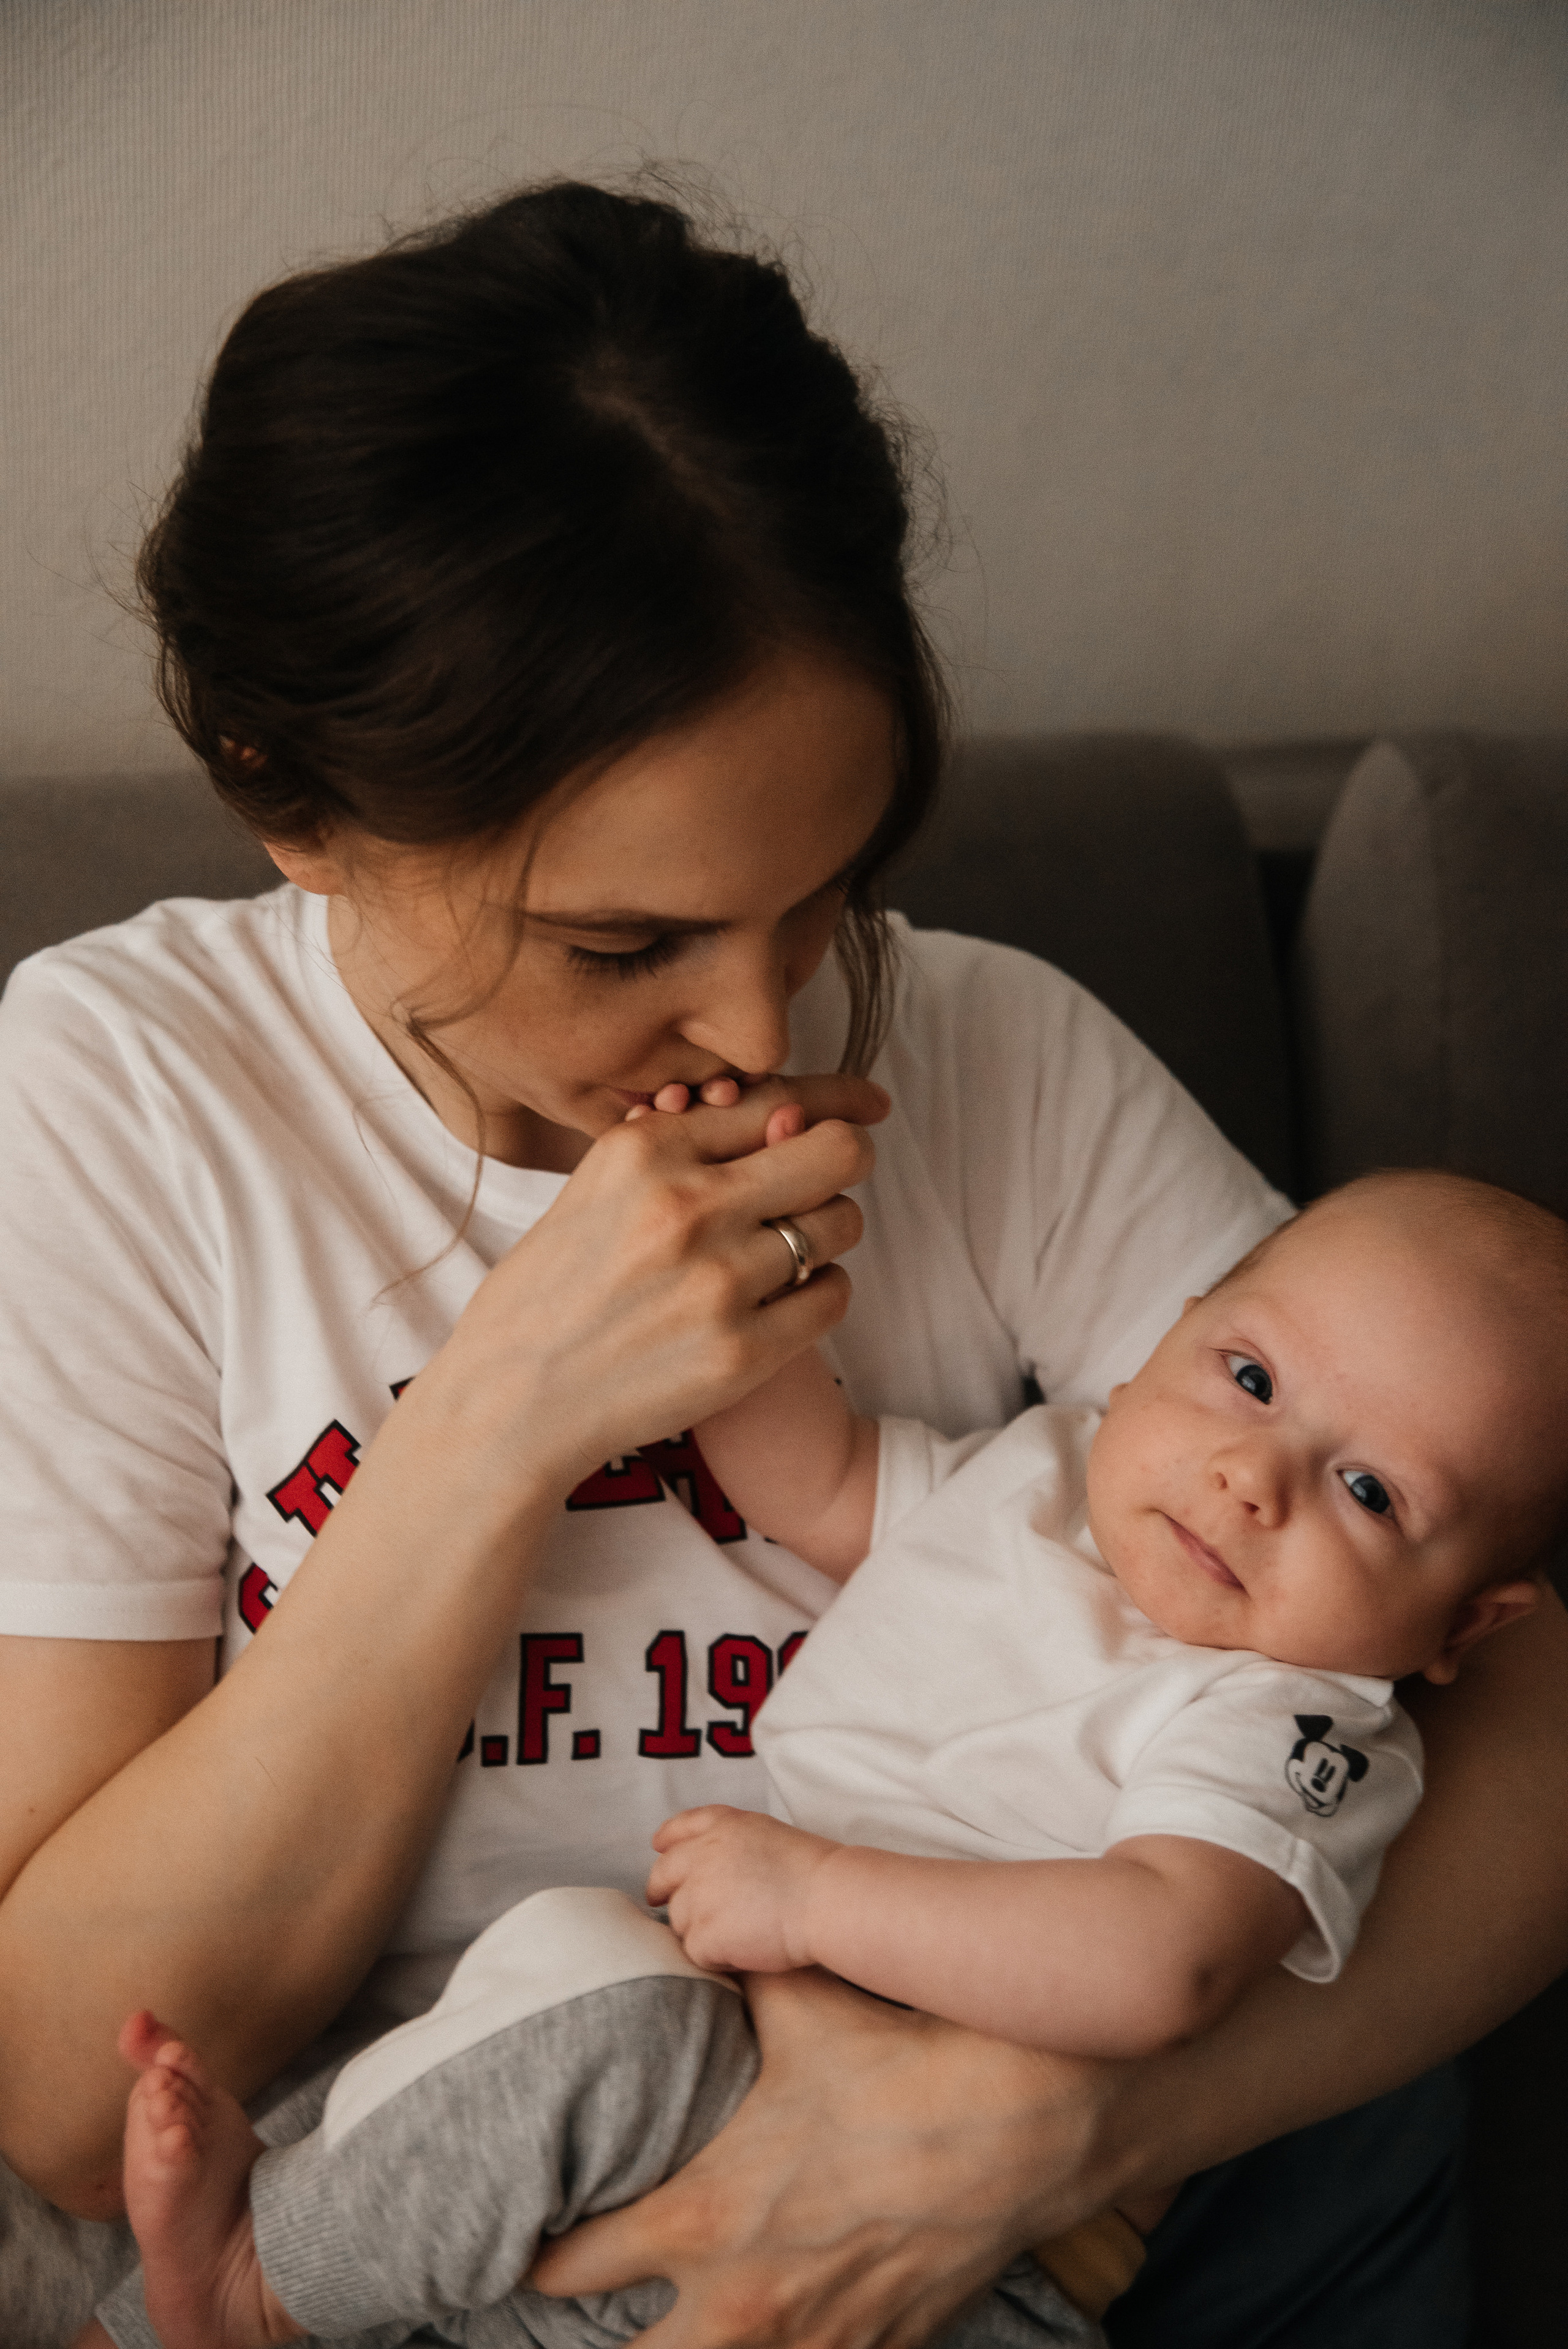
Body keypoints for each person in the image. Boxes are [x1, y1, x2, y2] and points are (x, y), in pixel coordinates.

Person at [0, 178, 1562, 2349]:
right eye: (623, 945)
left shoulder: (991, 1046)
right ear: (292, 796)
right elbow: (82, 2091)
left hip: (1028, 2173)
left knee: (1369, 2096)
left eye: (827, 891)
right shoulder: (132, 1093)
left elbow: (1517, 1705)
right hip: (437, 2183)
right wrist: (508, 1415)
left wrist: (1025, 2139)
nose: (766, 1033)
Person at [99, 1169, 1567, 2349]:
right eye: (1244, 1378)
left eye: (1368, 1492)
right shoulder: (1043, 1477)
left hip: (962, 2257)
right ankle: (277, 2225)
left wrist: (814, 1902)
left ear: (1465, 1626)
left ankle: (251, 2296)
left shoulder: (1290, 1720)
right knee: (524, 1987)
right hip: (714, 2082)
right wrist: (721, 1285)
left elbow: (1158, 1962)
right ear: (1166, 1335)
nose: (1254, 1477)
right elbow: (817, 1478)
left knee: (599, 2012)